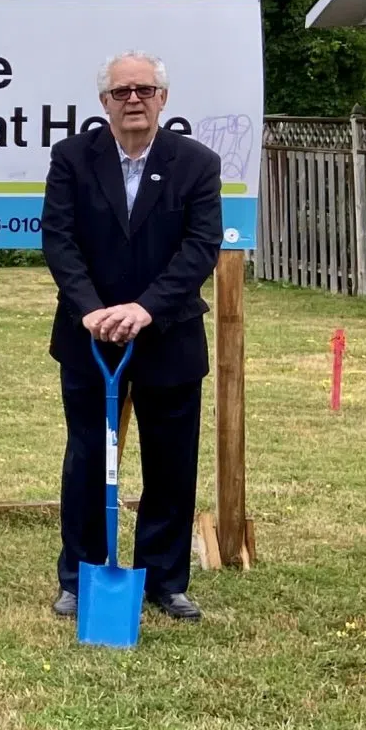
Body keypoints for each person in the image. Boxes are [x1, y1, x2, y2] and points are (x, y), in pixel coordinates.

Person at [40, 50, 225, 623]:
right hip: (89, 338)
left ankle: (165, 582)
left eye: (144, 89)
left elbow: (201, 247)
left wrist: (145, 309)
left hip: (168, 335)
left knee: (172, 465)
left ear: (163, 99)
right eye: (121, 92)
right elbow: (59, 240)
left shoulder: (197, 163)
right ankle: (80, 575)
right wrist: (92, 310)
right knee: (88, 457)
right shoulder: (72, 158)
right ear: (104, 103)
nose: (134, 100)